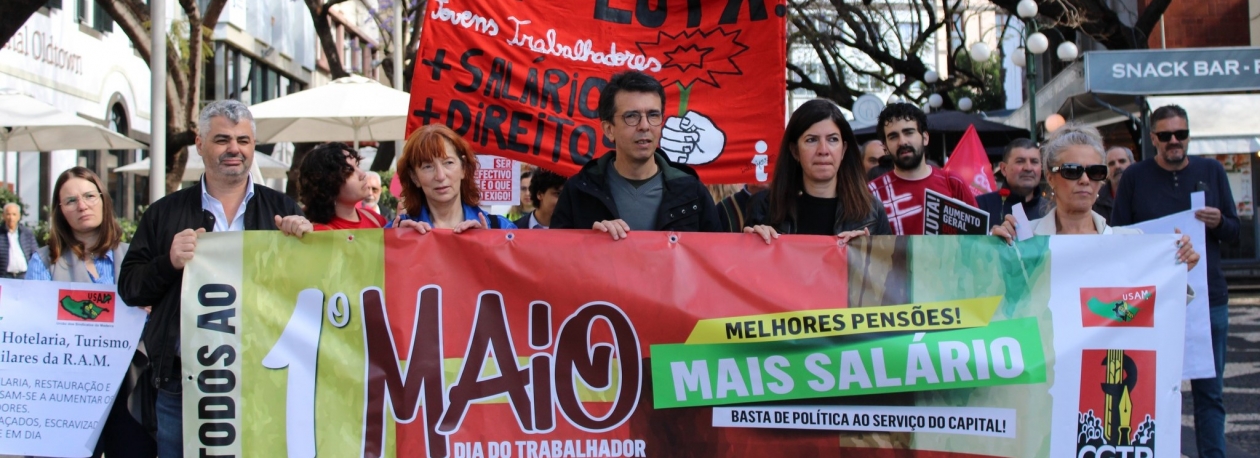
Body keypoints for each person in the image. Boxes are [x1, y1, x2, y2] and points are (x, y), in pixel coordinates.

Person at [118, 100, 310, 458]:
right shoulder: (164, 213)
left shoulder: (283, 210)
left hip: (264, 381)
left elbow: (310, 291)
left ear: (253, 146)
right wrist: (169, 262)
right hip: (182, 386)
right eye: (222, 139)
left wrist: (304, 247)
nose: (234, 149)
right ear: (199, 144)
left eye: (243, 140)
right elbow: (130, 287)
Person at [1111, 105, 1239, 458]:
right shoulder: (1135, 177)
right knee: (1145, 389)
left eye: (1180, 134)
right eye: (1165, 135)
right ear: (1153, 138)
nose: (1174, 141)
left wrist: (1219, 222)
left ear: (1188, 135)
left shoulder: (1211, 171)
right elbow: (1117, 236)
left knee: (1209, 393)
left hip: (1208, 299)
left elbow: (1235, 233)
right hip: (1149, 302)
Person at [25, 167, 155, 458]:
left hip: (131, 391)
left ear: (103, 199)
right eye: (71, 200)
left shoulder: (137, 257)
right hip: (67, 395)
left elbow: (158, 323)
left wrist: (150, 310)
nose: (82, 206)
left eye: (88, 196)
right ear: (60, 210)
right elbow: (35, 330)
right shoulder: (44, 262)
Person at [551, 70, 721, 238]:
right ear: (609, 129)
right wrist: (588, 242)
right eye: (631, 116)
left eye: (653, 115)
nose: (644, 126)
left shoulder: (692, 191)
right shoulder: (578, 191)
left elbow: (715, 253)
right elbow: (555, 253)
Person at [990, 123, 1197, 255]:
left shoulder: (1130, 240)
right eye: (1072, 171)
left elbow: (1146, 302)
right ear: (1050, 177)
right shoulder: (1023, 238)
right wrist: (992, 252)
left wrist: (1177, 267)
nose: (1084, 180)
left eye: (1095, 171)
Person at [744, 99, 891, 242]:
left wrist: (866, 254)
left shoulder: (872, 211)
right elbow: (746, 258)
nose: (823, 150)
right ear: (795, 151)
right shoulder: (764, 206)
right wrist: (753, 244)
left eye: (832, 139)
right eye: (811, 140)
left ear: (844, 149)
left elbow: (888, 258)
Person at [867, 103, 977, 235]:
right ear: (885, 147)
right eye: (893, 136)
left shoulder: (953, 183)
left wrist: (995, 235)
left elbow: (978, 237)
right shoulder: (872, 193)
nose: (902, 142)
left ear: (925, 138)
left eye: (909, 132)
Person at [390, 124, 515, 232]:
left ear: (463, 167)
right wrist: (395, 245)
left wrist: (490, 245)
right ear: (414, 177)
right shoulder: (397, 230)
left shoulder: (501, 228)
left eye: (448, 163)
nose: (440, 176)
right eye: (428, 166)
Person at [299, 142, 386, 230]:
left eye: (357, 165)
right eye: (349, 171)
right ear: (328, 184)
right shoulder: (317, 232)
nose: (363, 174)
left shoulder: (376, 219)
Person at [975, 138, 1046, 225]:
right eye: (1020, 161)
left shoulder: (1052, 210)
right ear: (1004, 169)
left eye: (1034, 162)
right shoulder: (980, 205)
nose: (1028, 168)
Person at [1093, 146, 1133, 224]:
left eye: (1122, 161)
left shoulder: (1145, 194)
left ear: (1133, 164)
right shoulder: (1095, 201)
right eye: (1111, 164)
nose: (1117, 166)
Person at [0, 202, 37, 279]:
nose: (11, 218)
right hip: (5, 276)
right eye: (8, 214)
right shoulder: (1, 233)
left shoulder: (26, 233)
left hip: (24, 276)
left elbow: (35, 253)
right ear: (3, 216)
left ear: (18, 216)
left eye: (14, 214)